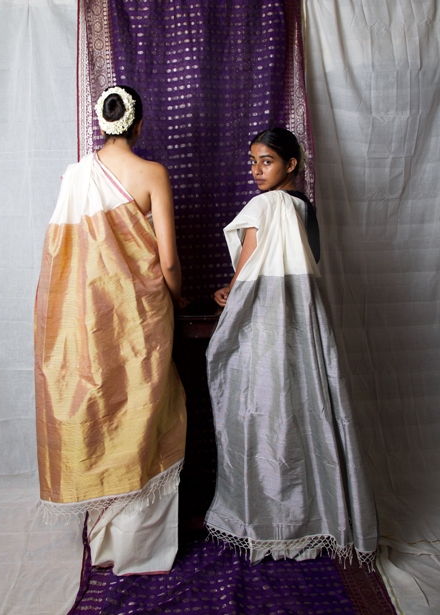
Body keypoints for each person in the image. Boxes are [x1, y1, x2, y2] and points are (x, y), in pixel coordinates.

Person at [205, 127, 378, 568]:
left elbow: (249, 270)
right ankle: (315, 517)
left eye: (266, 161)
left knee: (263, 413)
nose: (256, 170)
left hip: (266, 325)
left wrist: (228, 295)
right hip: (304, 324)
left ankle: (265, 521)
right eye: (253, 161)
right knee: (304, 410)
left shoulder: (266, 206)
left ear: (291, 164)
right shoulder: (304, 208)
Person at [35, 85, 187, 576]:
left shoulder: (75, 176)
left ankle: (104, 545)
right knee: (147, 413)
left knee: (103, 413)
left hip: (91, 317)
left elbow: (64, 257)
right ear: (138, 124)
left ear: (102, 124)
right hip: (142, 316)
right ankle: (142, 549)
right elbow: (167, 260)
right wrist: (178, 297)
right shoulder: (152, 173)